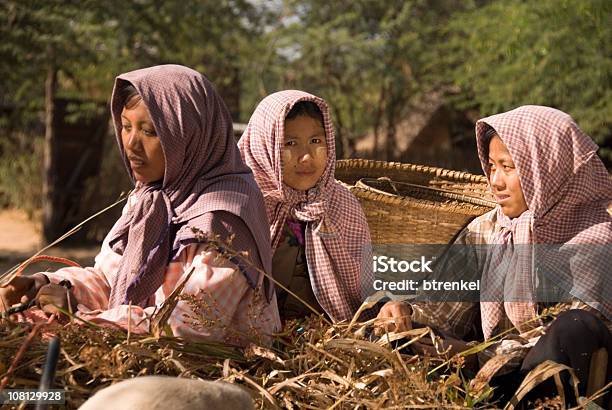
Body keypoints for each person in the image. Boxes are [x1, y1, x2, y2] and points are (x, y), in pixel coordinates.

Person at [0, 65, 280, 347]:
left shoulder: (222, 217)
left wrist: (82, 317)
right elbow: (111, 280)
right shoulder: (150, 199)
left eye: (149, 131)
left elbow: (188, 328)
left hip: (209, 376)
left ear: (189, 136)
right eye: (125, 126)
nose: (132, 143)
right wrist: (49, 286)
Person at [409, 105, 612, 406]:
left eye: (508, 167)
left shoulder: (596, 240)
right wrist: (408, 319)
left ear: (546, 169)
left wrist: (470, 356)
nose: (495, 181)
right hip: (485, 373)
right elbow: (440, 308)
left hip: (542, 377)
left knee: (575, 328)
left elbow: (552, 338)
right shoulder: (489, 230)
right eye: (491, 166)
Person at [238, 90, 410, 328]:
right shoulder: (243, 205)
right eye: (290, 143)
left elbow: (366, 285)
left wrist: (387, 305)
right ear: (264, 145)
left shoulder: (341, 204)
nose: (306, 157)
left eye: (316, 141)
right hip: (254, 341)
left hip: (332, 341)